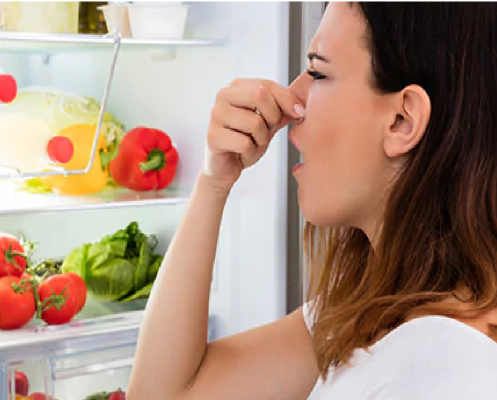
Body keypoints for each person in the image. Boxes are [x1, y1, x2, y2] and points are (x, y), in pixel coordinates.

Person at [127, 2, 497, 400]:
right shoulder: (376, 307)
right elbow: (166, 394)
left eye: (318, 72)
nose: (290, 100)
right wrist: (213, 180)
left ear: (402, 121)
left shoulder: (438, 364)